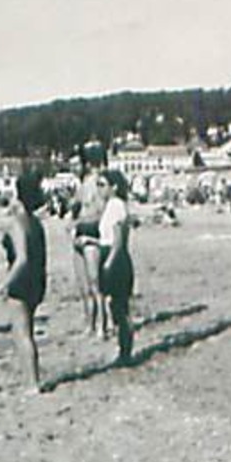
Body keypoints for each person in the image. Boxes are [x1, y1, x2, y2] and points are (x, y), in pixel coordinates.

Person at [0, 169, 48, 391]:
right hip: (37, 278)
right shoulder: (35, 222)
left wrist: (4, 284)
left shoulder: (16, 223)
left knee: (22, 334)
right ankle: (31, 380)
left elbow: (21, 258)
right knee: (27, 332)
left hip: (22, 279)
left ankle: (32, 383)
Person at [90, 170, 136, 364]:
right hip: (111, 254)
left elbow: (118, 239)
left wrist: (109, 263)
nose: (99, 189)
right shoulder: (112, 206)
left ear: (114, 187)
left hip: (116, 257)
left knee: (119, 307)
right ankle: (123, 350)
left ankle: (126, 352)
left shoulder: (116, 206)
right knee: (115, 305)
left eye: (102, 185)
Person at [70, 143, 109, 338]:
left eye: (77, 165)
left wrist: (81, 221)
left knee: (96, 284)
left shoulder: (95, 182)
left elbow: (100, 211)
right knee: (83, 286)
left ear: (85, 164)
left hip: (91, 236)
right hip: (79, 235)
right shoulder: (80, 184)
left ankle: (103, 326)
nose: (73, 169)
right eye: (71, 166)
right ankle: (90, 324)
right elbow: (76, 209)